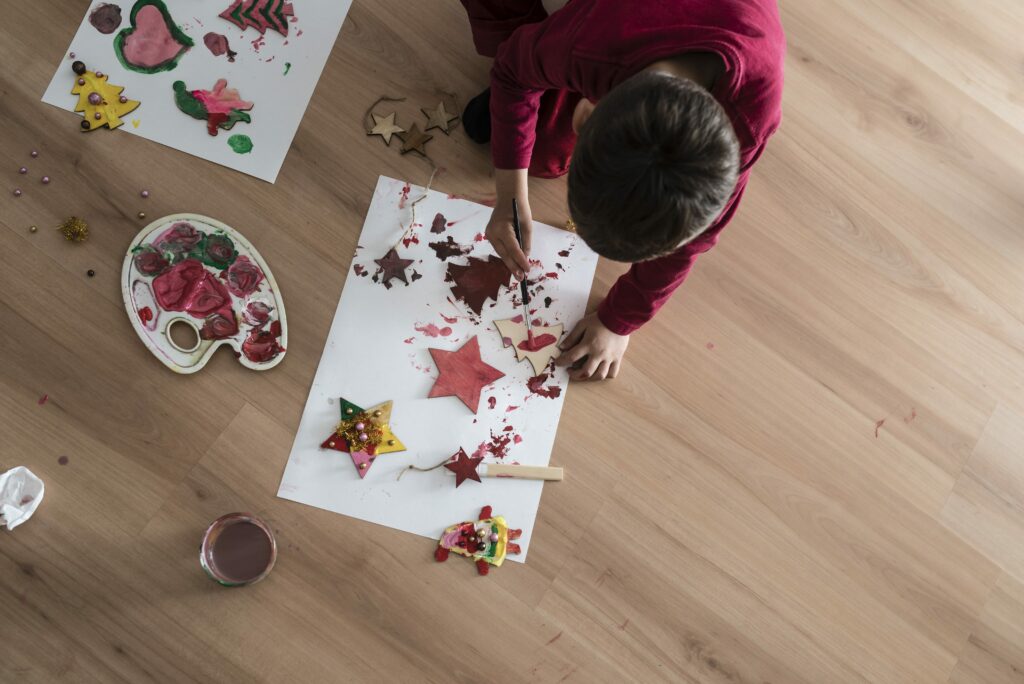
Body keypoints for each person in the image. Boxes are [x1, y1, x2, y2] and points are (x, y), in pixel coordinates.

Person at [459, 0, 785, 380]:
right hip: (610, 29)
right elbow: (513, 69)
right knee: (530, 113)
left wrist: (618, 322)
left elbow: (690, 243)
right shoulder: (588, 45)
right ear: (586, 114)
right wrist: (510, 194)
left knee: (541, 151)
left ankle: (540, 77)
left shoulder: (751, 119)